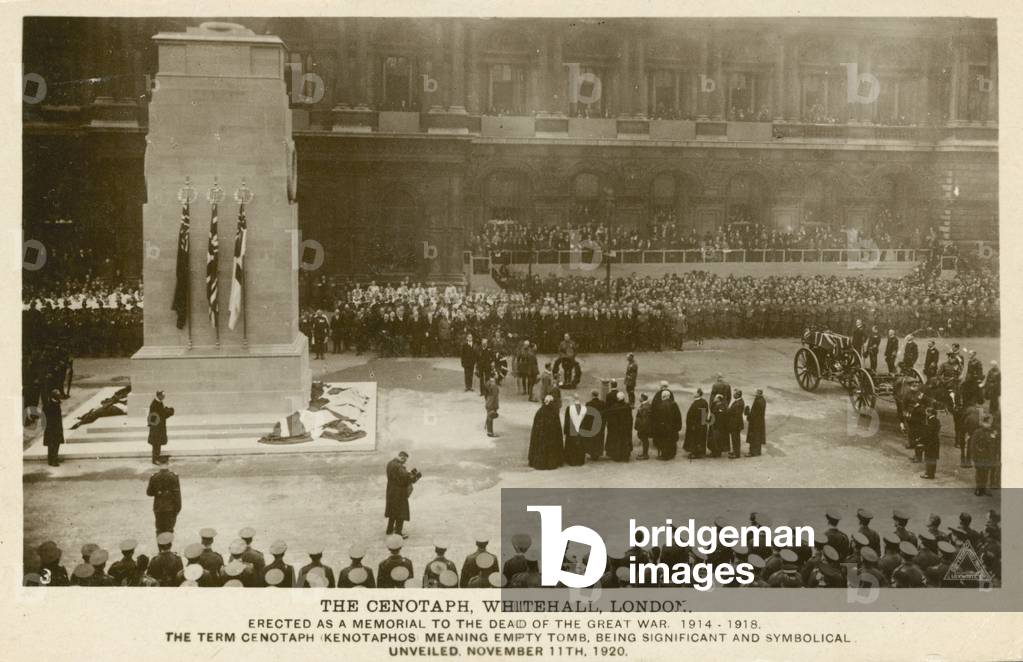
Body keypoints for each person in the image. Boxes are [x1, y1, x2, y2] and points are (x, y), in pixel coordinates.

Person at [385, 451, 421, 537]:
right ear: (402, 457)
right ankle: (398, 532)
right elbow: (405, 480)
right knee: (401, 513)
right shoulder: (399, 466)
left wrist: (410, 473)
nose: (404, 462)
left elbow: (400, 476)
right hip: (399, 493)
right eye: (404, 460)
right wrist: (416, 477)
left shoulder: (390, 463)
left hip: (391, 492)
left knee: (392, 512)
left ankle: (389, 530)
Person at [528, 395, 564, 470]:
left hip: (542, 438)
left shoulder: (539, 412)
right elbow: (558, 428)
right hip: (551, 438)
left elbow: (535, 429)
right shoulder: (554, 412)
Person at [146, 462, 181, 534]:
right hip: (170, 508)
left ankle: (160, 541)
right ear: (168, 464)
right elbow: (177, 495)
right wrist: (178, 508)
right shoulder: (174, 476)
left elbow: (149, 493)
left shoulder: (154, 476)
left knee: (159, 529)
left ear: (159, 465)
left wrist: (158, 492)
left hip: (158, 508)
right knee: (169, 530)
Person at [650, 388, 682, 460]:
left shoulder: (660, 406)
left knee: (664, 442)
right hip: (672, 427)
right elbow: (678, 417)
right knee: (672, 441)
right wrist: (678, 426)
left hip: (663, 428)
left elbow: (657, 418)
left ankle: (665, 455)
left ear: (663, 396)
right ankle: (672, 454)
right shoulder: (674, 404)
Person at [972, 416, 998, 497]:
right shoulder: (977, 432)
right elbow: (973, 445)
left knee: (986, 473)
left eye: (990, 423)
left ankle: (984, 489)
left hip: (988, 457)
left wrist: (993, 456)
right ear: (984, 423)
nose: (989, 424)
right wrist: (974, 457)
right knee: (979, 473)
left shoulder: (992, 432)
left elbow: (994, 445)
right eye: (988, 423)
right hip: (979, 457)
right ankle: (978, 488)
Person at [147, 390, 175, 464]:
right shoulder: (154, 404)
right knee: (156, 444)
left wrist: (167, 412)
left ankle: (157, 457)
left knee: (158, 443)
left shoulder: (159, 402)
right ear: (159, 395)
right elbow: (155, 416)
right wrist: (168, 412)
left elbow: (161, 414)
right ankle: (155, 459)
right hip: (156, 428)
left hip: (159, 427)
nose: (164, 396)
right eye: (163, 395)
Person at [604, 391, 633, 462]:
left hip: (617, 428)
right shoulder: (627, 406)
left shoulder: (615, 407)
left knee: (617, 442)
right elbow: (630, 418)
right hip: (625, 427)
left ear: (617, 398)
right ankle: (625, 456)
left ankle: (617, 456)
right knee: (625, 441)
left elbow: (612, 419)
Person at [683, 389, 709, 459]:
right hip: (695, 425)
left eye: (694, 392)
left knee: (697, 439)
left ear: (698, 394)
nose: (693, 393)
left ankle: (697, 453)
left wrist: (698, 425)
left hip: (697, 425)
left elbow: (704, 415)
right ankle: (695, 452)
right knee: (695, 439)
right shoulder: (697, 402)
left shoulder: (703, 402)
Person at [562, 396, 588, 466]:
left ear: (573, 400)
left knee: (572, 446)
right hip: (581, 430)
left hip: (571, 430)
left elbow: (567, 420)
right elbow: (586, 421)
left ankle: (572, 461)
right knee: (580, 445)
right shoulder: (584, 408)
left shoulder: (569, 408)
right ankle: (580, 461)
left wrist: (565, 431)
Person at [42, 388, 64, 466]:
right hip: (52, 427)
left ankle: (52, 458)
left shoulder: (54, 403)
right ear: (54, 396)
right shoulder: (51, 405)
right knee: (53, 443)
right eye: (58, 395)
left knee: (54, 443)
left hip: (54, 426)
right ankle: (53, 460)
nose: (60, 396)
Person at [584, 389, 606, 461]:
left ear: (592, 395)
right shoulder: (602, 403)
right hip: (600, 424)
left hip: (591, 425)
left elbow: (587, 416)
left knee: (592, 440)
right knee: (599, 439)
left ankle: (592, 454)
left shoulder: (589, 404)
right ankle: (598, 453)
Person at [920, 407, 941, 479]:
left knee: (929, 457)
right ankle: (931, 473)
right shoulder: (936, 420)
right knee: (933, 458)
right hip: (935, 442)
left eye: (926, 412)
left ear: (930, 413)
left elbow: (929, 432)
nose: (925, 413)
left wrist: (923, 440)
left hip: (930, 442)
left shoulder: (931, 421)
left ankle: (928, 474)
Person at [745, 388, 766, 457]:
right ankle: (758, 451)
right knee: (758, 437)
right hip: (760, 422)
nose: (755, 394)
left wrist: (748, 414)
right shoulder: (762, 400)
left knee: (753, 437)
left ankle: (752, 452)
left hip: (755, 422)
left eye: (756, 393)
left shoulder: (757, 401)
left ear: (759, 393)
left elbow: (754, 413)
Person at [727, 389, 746, 459]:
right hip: (735, 423)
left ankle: (736, 454)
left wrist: (728, 411)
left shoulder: (739, 403)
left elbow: (736, 414)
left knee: (736, 439)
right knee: (734, 438)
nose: (733, 395)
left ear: (738, 395)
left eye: (734, 394)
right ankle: (735, 451)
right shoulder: (738, 401)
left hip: (735, 424)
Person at [633, 393, 652, 460]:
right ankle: (644, 453)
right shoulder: (646, 405)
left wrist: (641, 428)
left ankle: (645, 454)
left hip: (644, 427)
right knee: (644, 440)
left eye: (640, 397)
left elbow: (644, 419)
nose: (639, 398)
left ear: (643, 398)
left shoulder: (644, 407)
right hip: (645, 426)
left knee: (645, 440)